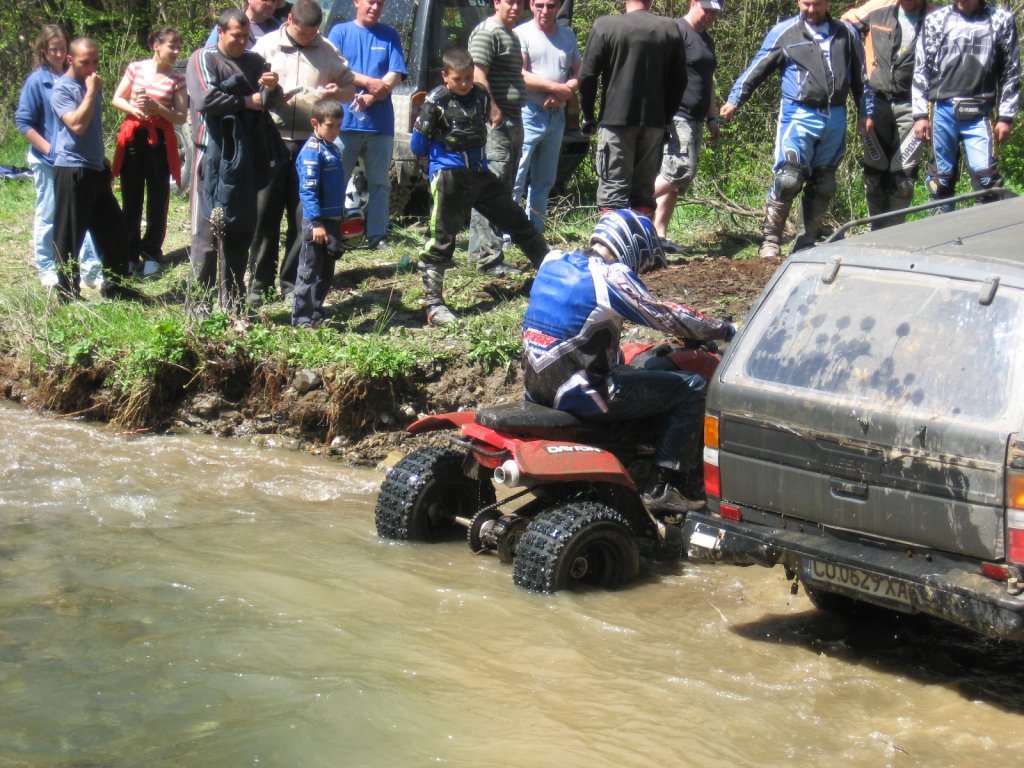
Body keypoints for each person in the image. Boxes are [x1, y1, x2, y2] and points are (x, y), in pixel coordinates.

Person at [522, 210, 736, 512]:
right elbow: (666, 316)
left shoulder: (552, 260)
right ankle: (664, 486)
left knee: (624, 359)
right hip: (583, 394)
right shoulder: (609, 277)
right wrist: (725, 330)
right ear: (632, 246)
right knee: (693, 387)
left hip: (535, 387)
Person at [720, 0, 873, 259]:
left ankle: (806, 241)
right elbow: (758, 67)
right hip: (798, 113)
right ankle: (771, 240)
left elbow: (861, 76)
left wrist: (866, 111)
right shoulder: (784, 32)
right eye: (806, 3)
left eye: (817, 4)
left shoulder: (846, 33)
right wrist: (735, 99)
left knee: (824, 183)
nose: (811, 9)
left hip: (835, 115)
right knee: (788, 179)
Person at [411, 47, 549, 327]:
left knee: (516, 219)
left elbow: (484, 124)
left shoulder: (481, 94)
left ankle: (553, 274)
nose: (464, 84)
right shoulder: (436, 101)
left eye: (468, 78)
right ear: (445, 76)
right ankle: (434, 305)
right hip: (448, 176)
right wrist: (434, 164)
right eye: (457, 79)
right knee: (441, 238)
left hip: (480, 173)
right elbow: (418, 142)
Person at [250, 0, 355, 306]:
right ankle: (259, 282)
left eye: (313, 34)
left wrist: (337, 93)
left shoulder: (327, 50)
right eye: (303, 33)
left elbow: (349, 87)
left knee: (303, 216)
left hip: (310, 146)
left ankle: (292, 283)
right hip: (272, 139)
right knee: (265, 213)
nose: (308, 38)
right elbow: (248, 86)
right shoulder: (266, 46)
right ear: (289, 21)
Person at [186, 8, 282, 317]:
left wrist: (271, 88)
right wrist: (246, 101)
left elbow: (269, 103)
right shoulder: (204, 58)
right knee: (207, 232)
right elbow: (204, 99)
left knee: (240, 231)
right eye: (235, 36)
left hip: (247, 156)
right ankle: (199, 306)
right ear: (221, 32)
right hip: (211, 153)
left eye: (245, 36)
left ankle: (233, 306)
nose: (241, 41)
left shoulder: (255, 61)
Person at [15, 24, 103, 289]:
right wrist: (49, 150)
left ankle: (89, 268)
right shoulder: (37, 81)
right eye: (53, 49)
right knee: (49, 213)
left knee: (81, 216)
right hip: (47, 159)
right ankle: (47, 267)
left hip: (76, 160)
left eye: (62, 48)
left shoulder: (79, 76)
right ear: (43, 50)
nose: (58, 54)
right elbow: (24, 122)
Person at [578, 0, 686, 215]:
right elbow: (679, 81)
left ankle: (612, 236)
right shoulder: (669, 28)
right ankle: (640, 236)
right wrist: (666, 120)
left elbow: (587, 76)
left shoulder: (606, 26)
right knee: (644, 194)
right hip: (654, 122)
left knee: (613, 192)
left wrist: (589, 116)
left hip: (615, 120)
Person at [912, 0, 1020, 213]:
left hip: (980, 112)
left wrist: (1006, 116)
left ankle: (988, 228)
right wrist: (920, 114)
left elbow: (1011, 72)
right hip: (942, 110)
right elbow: (921, 68)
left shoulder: (1001, 20)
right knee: (939, 181)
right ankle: (942, 228)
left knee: (987, 179)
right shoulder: (936, 20)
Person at [49, 37, 135, 301]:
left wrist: (100, 156)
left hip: (95, 168)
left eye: (96, 61)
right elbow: (76, 125)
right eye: (85, 62)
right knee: (70, 235)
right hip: (72, 169)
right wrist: (89, 92)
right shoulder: (62, 89)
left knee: (115, 230)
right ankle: (67, 294)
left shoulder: (91, 84)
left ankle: (116, 287)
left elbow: (92, 129)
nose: (92, 68)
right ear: (70, 60)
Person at [842, 0, 932, 227]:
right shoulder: (878, 11)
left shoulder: (935, 17)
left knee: (904, 179)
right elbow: (844, 25)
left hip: (914, 106)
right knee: (874, 176)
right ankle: (876, 231)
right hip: (876, 102)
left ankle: (894, 232)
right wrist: (860, 65)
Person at [328, 0, 408, 249]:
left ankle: (378, 236)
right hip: (343, 124)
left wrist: (371, 96)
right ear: (356, 2)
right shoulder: (340, 32)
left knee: (380, 183)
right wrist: (368, 82)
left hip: (379, 125)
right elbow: (334, 69)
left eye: (380, 3)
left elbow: (395, 74)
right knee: (336, 180)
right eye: (370, 2)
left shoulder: (390, 34)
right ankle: (332, 234)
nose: (375, 7)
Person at [111, 27, 188, 277]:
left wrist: (157, 108)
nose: (176, 51)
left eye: (178, 47)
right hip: (134, 137)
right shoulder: (136, 68)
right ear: (156, 45)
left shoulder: (177, 79)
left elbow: (181, 116)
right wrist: (134, 110)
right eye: (172, 46)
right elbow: (117, 98)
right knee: (131, 197)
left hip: (161, 140)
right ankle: (130, 253)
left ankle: (152, 252)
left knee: (158, 197)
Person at [653, 0, 723, 251]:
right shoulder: (675, 31)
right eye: (706, 9)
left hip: (697, 117)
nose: (710, 16)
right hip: (676, 114)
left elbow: (708, 82)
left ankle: (659, 236)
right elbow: (659, 73)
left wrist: (712, 117)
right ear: (693, 3)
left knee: (675, 180)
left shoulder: (707, 40)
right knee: (681, 170)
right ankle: (630, 204)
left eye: (715, 12)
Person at [467, 0, 529, 275]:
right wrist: (493, 111)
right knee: (490, 188)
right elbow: (477, 74)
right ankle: (487, 258)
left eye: (518, 2)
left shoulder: (510, 34)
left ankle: (482, 253)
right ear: (496, 3)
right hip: (497, 121)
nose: (515, 7)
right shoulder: (488, 31)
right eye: (509, 1)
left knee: (502, 188)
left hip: (513, 117)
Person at [512, 0, 581, 232]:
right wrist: (557, 88)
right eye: (539, 5)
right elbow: (521, 74)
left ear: (558, 7)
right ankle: (508, 234)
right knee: (516, 178)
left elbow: (579, 71)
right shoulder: (522, 33)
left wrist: (565, 92)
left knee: (544, 181)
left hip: (557, 116)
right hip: (529, 113)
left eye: (550, 6)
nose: (544, 11)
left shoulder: (567, 35)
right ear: (531, 5)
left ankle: (535, 232)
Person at [293, 99, 345, 329]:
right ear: (315, 123)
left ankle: (316, 312)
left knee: (326, 269)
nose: (335, 131)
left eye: (339, 126)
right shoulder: (312, 152)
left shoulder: (332, 147)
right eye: (330, 126)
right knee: (309, 270)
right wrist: (316, 223)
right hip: (317, 221)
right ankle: (301, 318)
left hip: (332, 219)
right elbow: (308, 190)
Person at [204, 0, 281, 49]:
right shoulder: (228, 25)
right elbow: (208, 54)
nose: (270, 4)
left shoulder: (280, 29)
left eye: (274, 1)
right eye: (265, 0)